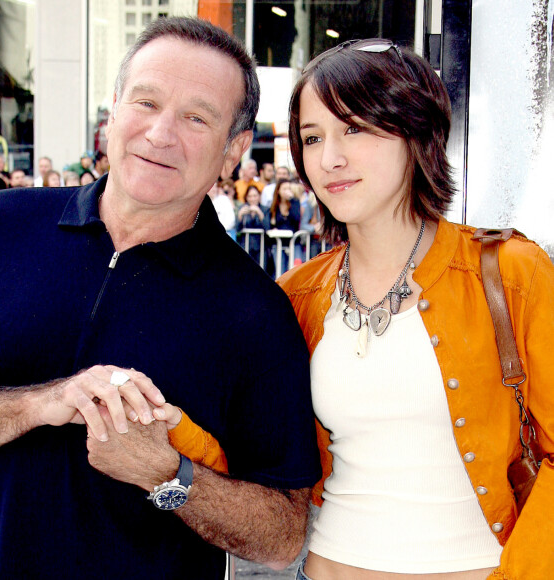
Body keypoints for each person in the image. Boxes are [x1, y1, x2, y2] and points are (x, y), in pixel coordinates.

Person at [0, 16, 320, 580]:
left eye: (195, 118)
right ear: (113, 111)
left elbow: (283, 537)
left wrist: (169, 475)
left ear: (233, 150)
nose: (161, 134)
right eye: (146, 102)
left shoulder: (257, 312)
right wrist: (40, 404)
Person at [279, 39, 554, 579]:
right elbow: (257, 451)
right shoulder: (298, 295)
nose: (329, 157)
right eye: (313, 138)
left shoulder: (509, 274)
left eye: (354, 128)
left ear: (415, 133)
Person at [265, 178, 301, 276]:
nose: (287, 191)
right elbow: (270, 224)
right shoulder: (274, 207)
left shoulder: (295, 203)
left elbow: (296, 218)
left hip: (294, 243)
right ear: (278, 191)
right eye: (284, 189)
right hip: (278, 243)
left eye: (289, 188)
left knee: (296, 271)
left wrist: (292, 200)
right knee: (280, 272)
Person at [237, 184, 266, 263]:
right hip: (245, 246)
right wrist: (239, 216)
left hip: (261, 247)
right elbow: (237, 229)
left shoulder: (265, 209)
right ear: (246, 198)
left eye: (255, 196)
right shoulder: (242, 208)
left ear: (259, 196)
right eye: (250, 196)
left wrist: (260, 214)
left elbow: (268, 227)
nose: (252, 199)